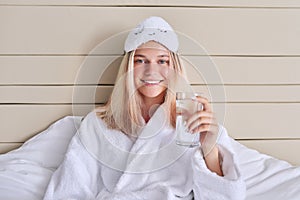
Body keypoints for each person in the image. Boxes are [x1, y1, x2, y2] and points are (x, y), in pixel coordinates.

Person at [43, 16, 246, 200]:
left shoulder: (194, 117)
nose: (152, 71)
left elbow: (227, 197)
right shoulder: (97, 124)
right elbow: (70, 188)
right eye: (141, 61)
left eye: (162, 61)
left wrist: (209, 149)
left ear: (174, 66)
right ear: (129, 67)